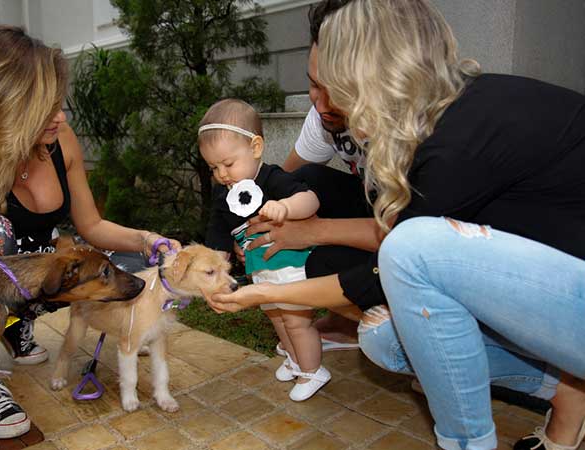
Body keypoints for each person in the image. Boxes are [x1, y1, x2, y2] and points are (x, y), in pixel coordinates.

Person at [208, 1, 585, 449]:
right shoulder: (438, 122)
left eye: (330, 88)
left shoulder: (457, 144)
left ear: (372, 78)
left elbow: (384, 269)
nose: (321, 103)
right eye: (314, 85)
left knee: (410, 251)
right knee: (385, 338)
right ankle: (566, 389)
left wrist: (264, 293)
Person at [0, 26, 178, 439]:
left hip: (35, 280)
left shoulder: (60, 140)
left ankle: (14, 324)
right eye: (45, 107)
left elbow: (92, 226)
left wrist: (147, 239)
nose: (61, 117)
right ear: (4, 104)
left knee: (126, 267)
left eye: (60, 103)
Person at [241, 0, 370, 351]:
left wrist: (312, 232)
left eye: (337, 90)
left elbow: (408, 235)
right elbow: (285, 177)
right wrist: (255, 227)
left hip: (413, 236)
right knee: (308, 180)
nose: (321, 104)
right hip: (376, 213)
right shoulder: (323, 116)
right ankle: (344, 321)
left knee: (319, 260)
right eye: (314, 85)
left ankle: (386, 327)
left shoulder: (411, 130)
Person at [200, 99, 330, 401]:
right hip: (261, 270)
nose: (222, 174)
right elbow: (217, 235)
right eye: (213, 167)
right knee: (277, 317)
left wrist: (286, 207)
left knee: (296, 321)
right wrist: (214, 267)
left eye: (228, 164)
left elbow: (310, 199)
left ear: (255, 147)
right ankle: (296, 361)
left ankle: (313, 371)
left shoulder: (272, 178)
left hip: (290, 265)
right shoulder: (223, 194)